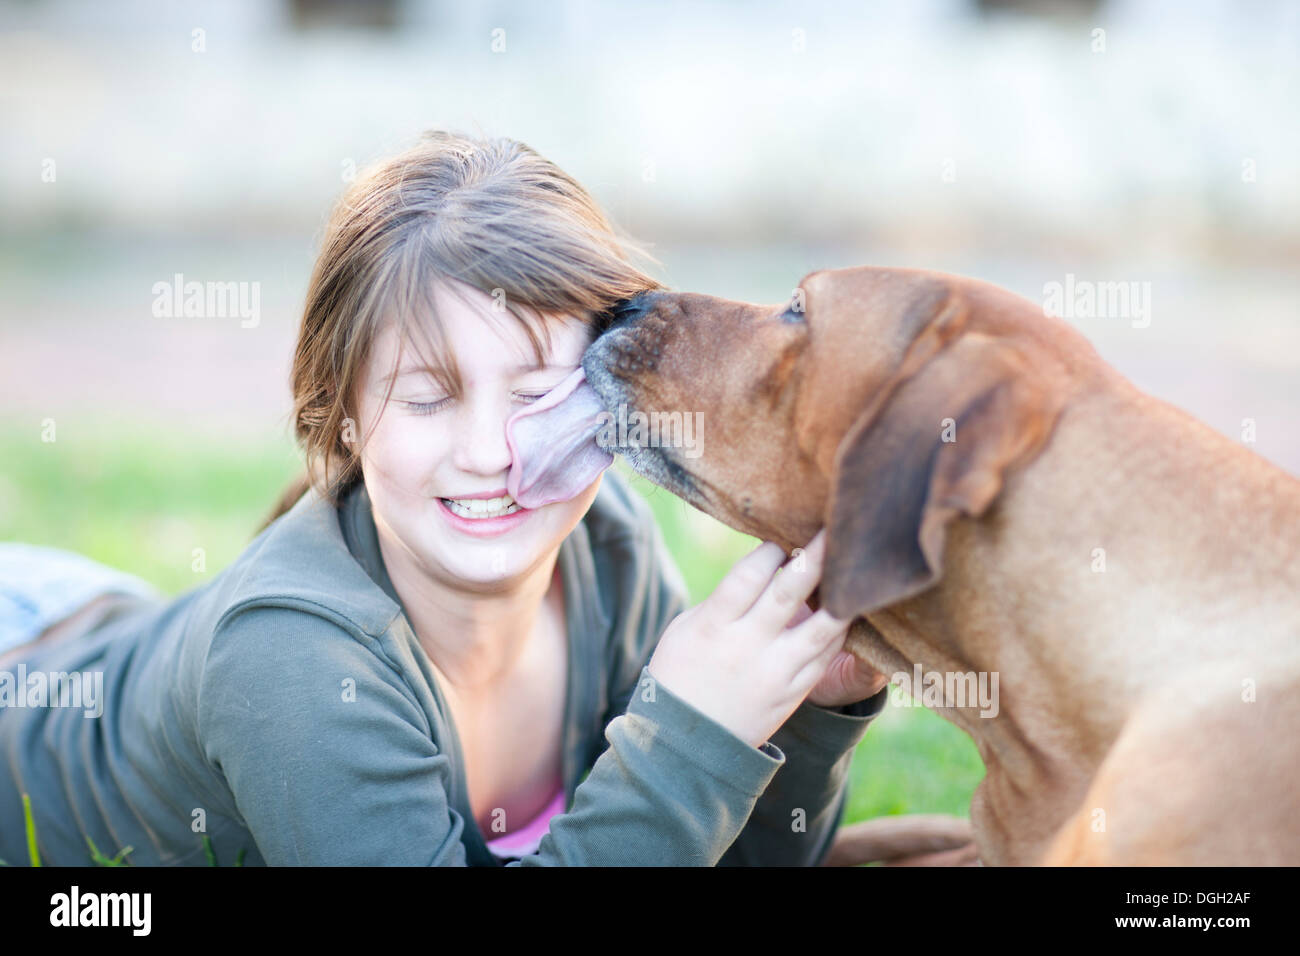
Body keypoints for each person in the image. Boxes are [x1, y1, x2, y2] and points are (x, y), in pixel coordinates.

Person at [0, 130, 889, 866]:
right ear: (341, 414)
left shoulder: (607, 545)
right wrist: (689, 731)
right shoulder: (293, 668)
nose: (491, 454)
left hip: (102, 618)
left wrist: (804, 709)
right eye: (427, 399)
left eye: (540, 391)